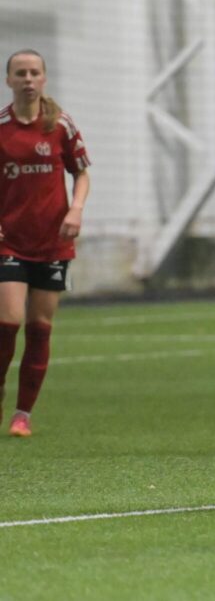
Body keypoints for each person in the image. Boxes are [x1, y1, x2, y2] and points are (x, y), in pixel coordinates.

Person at [0, 49, 91, 437]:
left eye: (34, 72)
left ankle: (23, 414)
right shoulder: (1, 127)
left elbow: (81, 173)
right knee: (8, 321)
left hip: (53, 244)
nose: (28, 79)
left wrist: (76, 210)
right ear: (9, 80)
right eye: (20, 73)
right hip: (9, 242)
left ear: (44, 78)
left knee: (39, 327)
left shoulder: (60, 125)